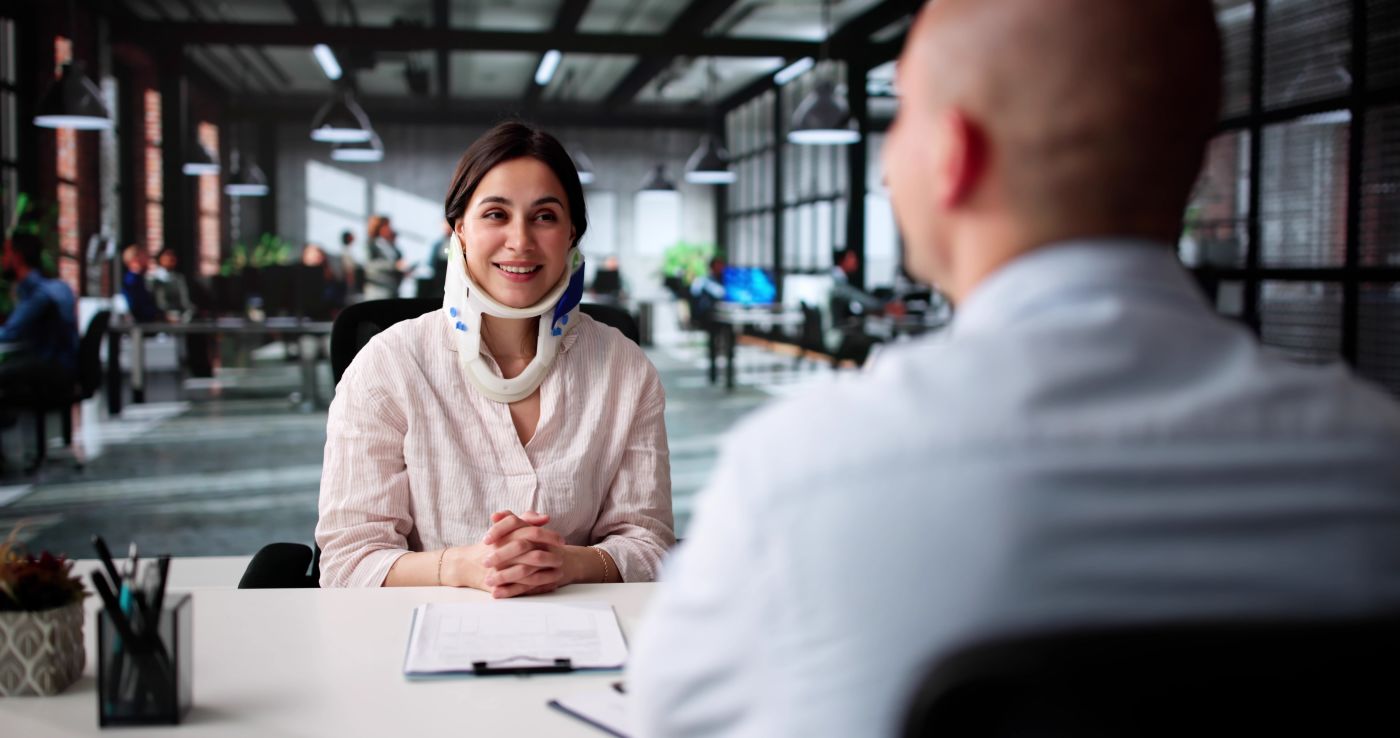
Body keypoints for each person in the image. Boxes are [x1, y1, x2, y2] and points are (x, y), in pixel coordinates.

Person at [628, 2, 1400, 736]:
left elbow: (669, 719)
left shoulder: (797, 477)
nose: (888, 168)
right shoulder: (1378, 461)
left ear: (953, 156)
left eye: (903, 115)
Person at [317, 121, 675, 594]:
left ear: (572, 233)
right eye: (495, 214)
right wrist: (461, 567)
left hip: (584, 624)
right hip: (420, 627)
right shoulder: (387, 365)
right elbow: (347, 563)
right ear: (460, 229)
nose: (520, 240)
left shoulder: (626, 370)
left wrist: (568, 563)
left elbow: (650, 545)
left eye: (545, 216)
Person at [0, 234, 79, 399]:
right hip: (65, 368)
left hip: (49, 370)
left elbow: (10, 333)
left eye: (5, 253)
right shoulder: (59, 286)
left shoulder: (38, 294)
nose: (2, 260)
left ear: (17, 257)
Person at [362, 215, 411, 300]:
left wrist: (403, 271)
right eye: (387, 226)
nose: (390, 229)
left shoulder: (393, 248)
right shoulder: (372, 245)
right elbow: (370, 265)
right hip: (377, 289)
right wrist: (393, 265)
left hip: (392, 289)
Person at [148, 247, 193, 322]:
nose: (170, 258)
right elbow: (158, 302)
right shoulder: (152, 278)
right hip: (158, 319)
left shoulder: (178, 278)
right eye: (167, 255)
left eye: (173, 256)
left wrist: (187, 312)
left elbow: (184, 301)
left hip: (179, 317)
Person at [120, 244, 160, 323]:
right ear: (136, 258)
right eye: (145, 256)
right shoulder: (132, 281)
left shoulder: (139, 278)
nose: (148, 259)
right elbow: (138, 306)